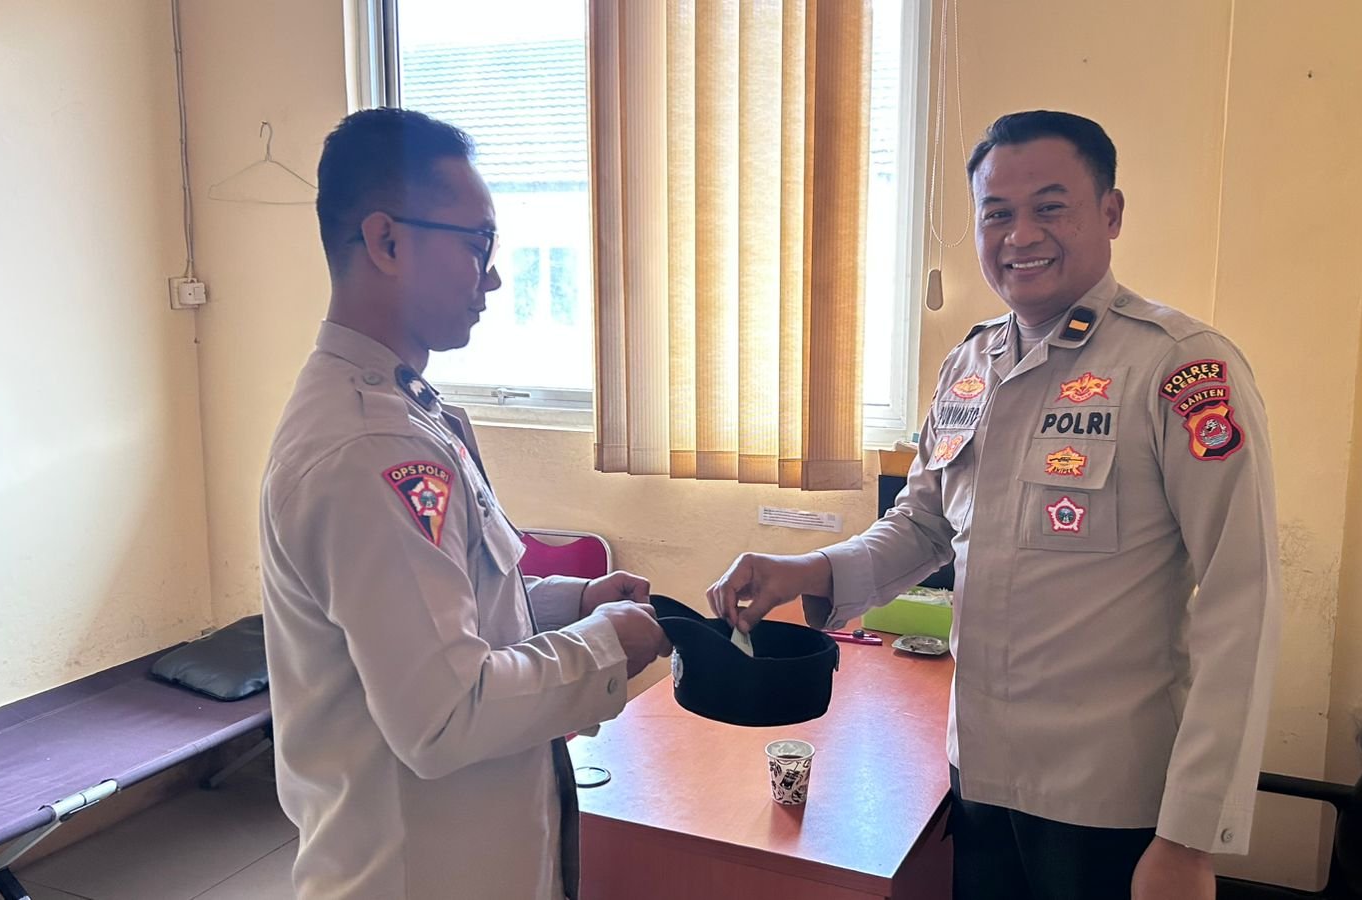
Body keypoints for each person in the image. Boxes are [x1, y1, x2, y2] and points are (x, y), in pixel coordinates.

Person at [708, 110, 1281, 900]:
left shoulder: (1179, 369)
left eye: (1050, 207)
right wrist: (804, 570)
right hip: (978, 772)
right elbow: (923, 524)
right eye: (997, 213)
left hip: (1109, 796)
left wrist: (1189, 837)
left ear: (1110, 213)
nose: (1021, 235)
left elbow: (1241, 601)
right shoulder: (970, 365)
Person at [259, 108, 671, 900]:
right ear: (386, 242)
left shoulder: (405, 413)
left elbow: (453, 606)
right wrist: (606, 646)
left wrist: (575, 602)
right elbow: (445, 715)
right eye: (477, 244)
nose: (493, 278)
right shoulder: (367, 448)